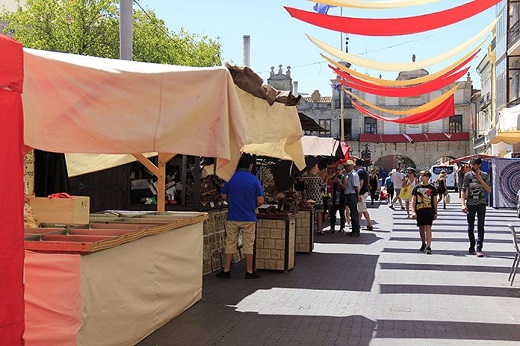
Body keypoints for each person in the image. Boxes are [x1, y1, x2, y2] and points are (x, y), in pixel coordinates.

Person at [217, 153, 264, 279]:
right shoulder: (254, 179)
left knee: (230, 243)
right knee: (248, 244)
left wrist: (234, 201)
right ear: (250, 165)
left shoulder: (230, 177)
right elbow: (260, 200)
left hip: (233, 216)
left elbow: (224, 196)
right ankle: (249, 271)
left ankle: (226, 270)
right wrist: (251, 206)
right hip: (249, 217)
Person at [461, 156, 491, 257]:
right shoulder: (467, 176)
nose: (471, 166)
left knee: (481, 226)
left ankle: (479, 247)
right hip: (470, 203)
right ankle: (472, 245)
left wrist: (480, 179)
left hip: (481, 203)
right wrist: (462, 204)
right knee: (470, 226)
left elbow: (489, 190)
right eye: (471, 164)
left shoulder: (485, 175)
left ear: (479, 165)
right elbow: (463, 189)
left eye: (474, 165)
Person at [411, 170, 438, 255]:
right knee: (421, 228)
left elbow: (434, 201)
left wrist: (436, 212)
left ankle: (429, 246)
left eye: (422, 175)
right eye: (420, 175)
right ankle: (423, 243)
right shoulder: (416, 188)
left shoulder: (432, 188)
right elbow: (413, 200)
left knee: (428, 227)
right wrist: (413, 211)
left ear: (427, 177)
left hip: (429, 210)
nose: (420, 177)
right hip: (419, 210)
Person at [302, 164, 326, 234]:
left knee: (311, 213)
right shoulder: (317, 178)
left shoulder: (306, 178)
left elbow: (305, 188)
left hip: (309, 197)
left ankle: (310, 228)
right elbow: (323, 186)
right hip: (318, 197)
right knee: (319, 213)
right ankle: (319, 229)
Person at [344, 160, 361, 237]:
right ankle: (354, 230)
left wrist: (358, 195)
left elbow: (355, 186)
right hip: (350, 195)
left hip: (352, 195)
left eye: (346, 166)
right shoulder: (350, 174)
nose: (345, 168)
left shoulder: (353, 175)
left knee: (354, 213)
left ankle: (356, 231)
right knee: (352, 213)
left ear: (351, 166)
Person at [328, 164, 347, 233]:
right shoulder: (335, 177)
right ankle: (332, 227)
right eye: (336, 170)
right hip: (334, 198)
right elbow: (331, 187)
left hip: (341, 198)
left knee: (342, 213)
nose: (338, 171)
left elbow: (345, 188)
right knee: (332, 213)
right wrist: (333, 183)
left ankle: (342, 227)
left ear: (342, 170)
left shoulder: (344, 178)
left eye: (339, 170)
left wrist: (339, 183)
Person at [355, 159, 373, 231]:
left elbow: (361, 182)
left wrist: (358, 193)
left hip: (362, 193)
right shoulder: (363, 171)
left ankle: (369, 225)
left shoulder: (359, 171)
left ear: (356, 164)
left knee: (363, 209)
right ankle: (358, 225)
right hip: (364, 192)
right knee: (360, 210)